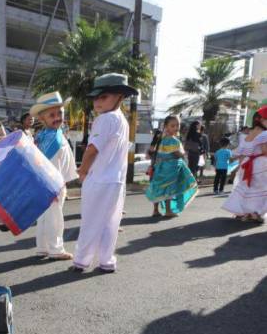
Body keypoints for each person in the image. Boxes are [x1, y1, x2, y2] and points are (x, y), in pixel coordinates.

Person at [71, 74, 137, 274]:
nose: (97, 102)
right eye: (96, 97)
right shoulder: (121, 120)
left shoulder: (104, 119)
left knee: (90, 221)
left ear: (120, 96)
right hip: (116, 180)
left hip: (98, 179)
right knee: (110, 222)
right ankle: (107, 261)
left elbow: (92, 150)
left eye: (103, 97)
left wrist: (82, 171)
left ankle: (81, 261)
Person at [30, 91, 78, 260]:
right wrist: (55, 186)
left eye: (60, 113)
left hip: (46, 184)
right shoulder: (52, 139)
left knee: (45, 217)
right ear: (42, 119)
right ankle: (56, 249)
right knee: (55, 218)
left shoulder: (45, 135)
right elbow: (49, 166)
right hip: (53, 184)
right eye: (52, 115)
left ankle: (42, 247)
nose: (57, 117)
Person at [144, 115, 198, 217]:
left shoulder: (159, 139)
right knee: (169, 188)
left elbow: (151, 152)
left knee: (158, 188)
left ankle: (155, 210)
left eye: (177, 125)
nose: (176, 128)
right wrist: (183, 153)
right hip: (170, 168)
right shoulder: (173, 140)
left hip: (158, 167)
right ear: (166, 126)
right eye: (172, 126)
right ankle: (168, 211)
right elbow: (178, 154)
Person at [222, 106, 267, 223]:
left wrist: (241, 168)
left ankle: (243, 212)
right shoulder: (265, 134)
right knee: (261, 191)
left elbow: (240, 154)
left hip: (246, 165)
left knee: (246, 189)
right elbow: (264, 150)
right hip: (261, 165)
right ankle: (255, 213)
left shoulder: (245, 135)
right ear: (262, 120)